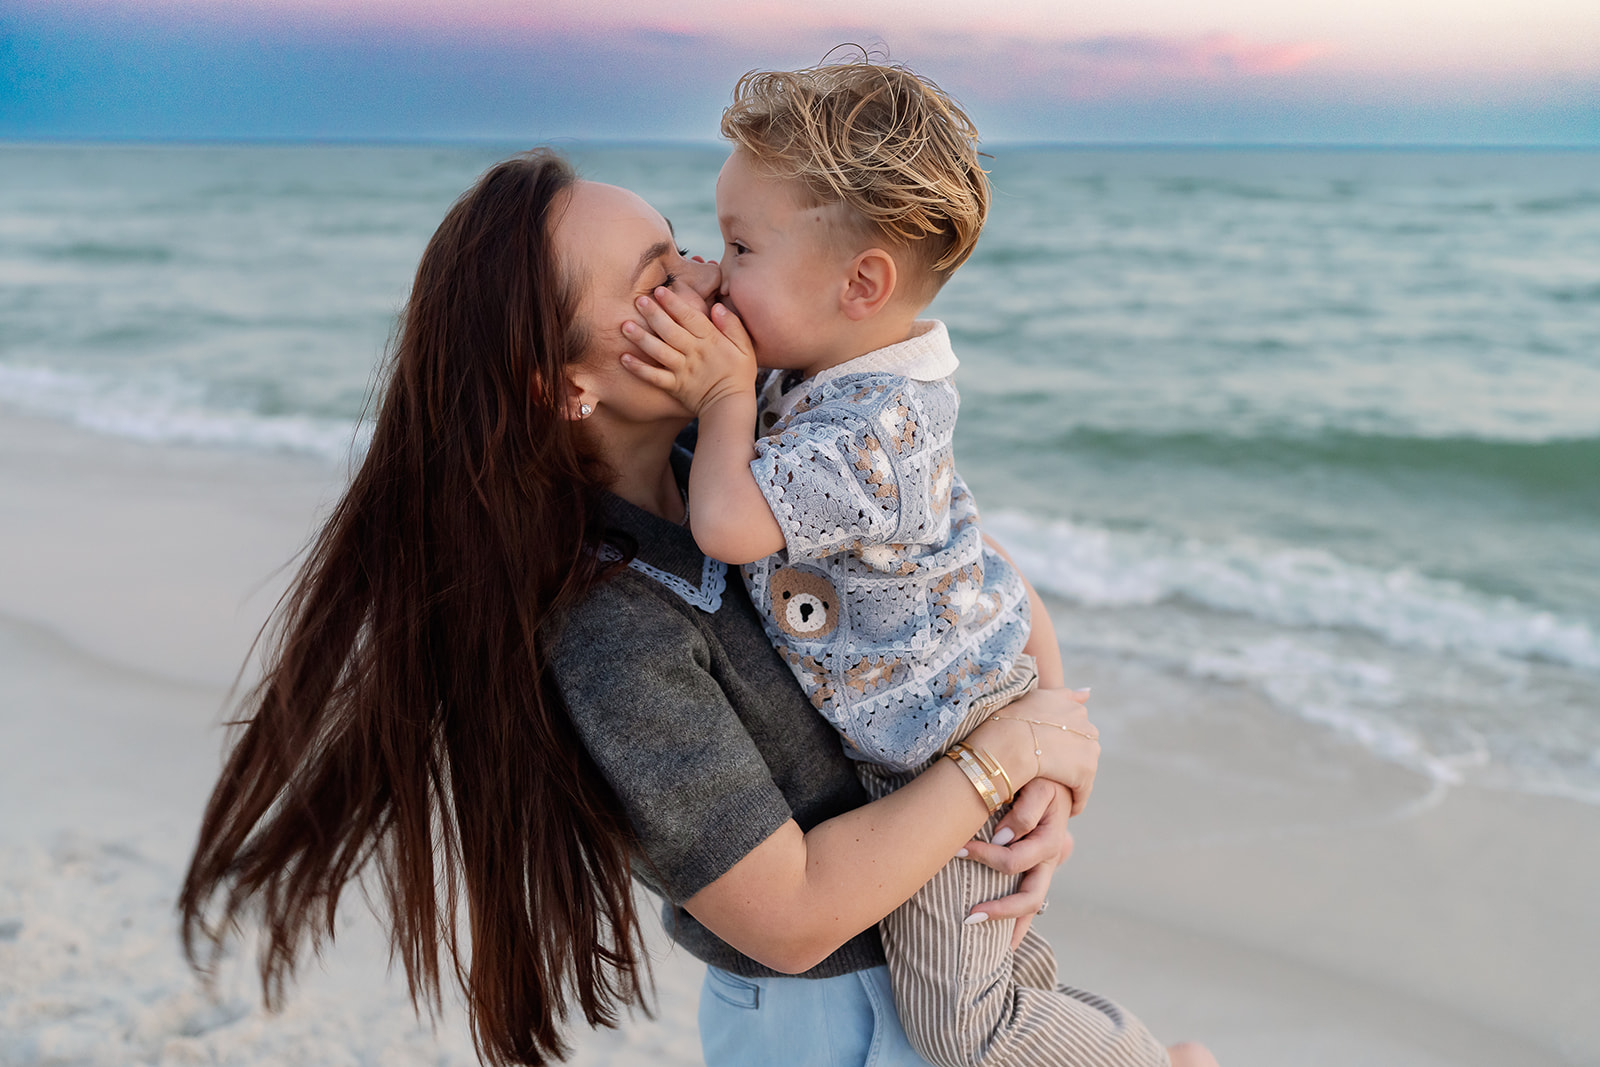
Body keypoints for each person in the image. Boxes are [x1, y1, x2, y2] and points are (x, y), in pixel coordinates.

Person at [176, 147, 1210, 1067]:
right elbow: (793, 916)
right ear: (560, 382)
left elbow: (975, 576)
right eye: (655, 281)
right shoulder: (609, 625)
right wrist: (998, 760)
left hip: (953, 950)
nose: (706, 279)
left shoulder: (749, 457)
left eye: (684, 250)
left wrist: (1048, 770)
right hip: (830, 1019)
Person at [617, 58, 1214, 1067]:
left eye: (738, 247)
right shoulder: (829, 377)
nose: (713, 276)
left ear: (861, 285)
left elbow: (726, 523)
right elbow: (984, 564)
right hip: (943, 735)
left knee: (962, 1026)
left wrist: (721, 395)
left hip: (950, 750)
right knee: (993, 977)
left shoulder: (871, 434)